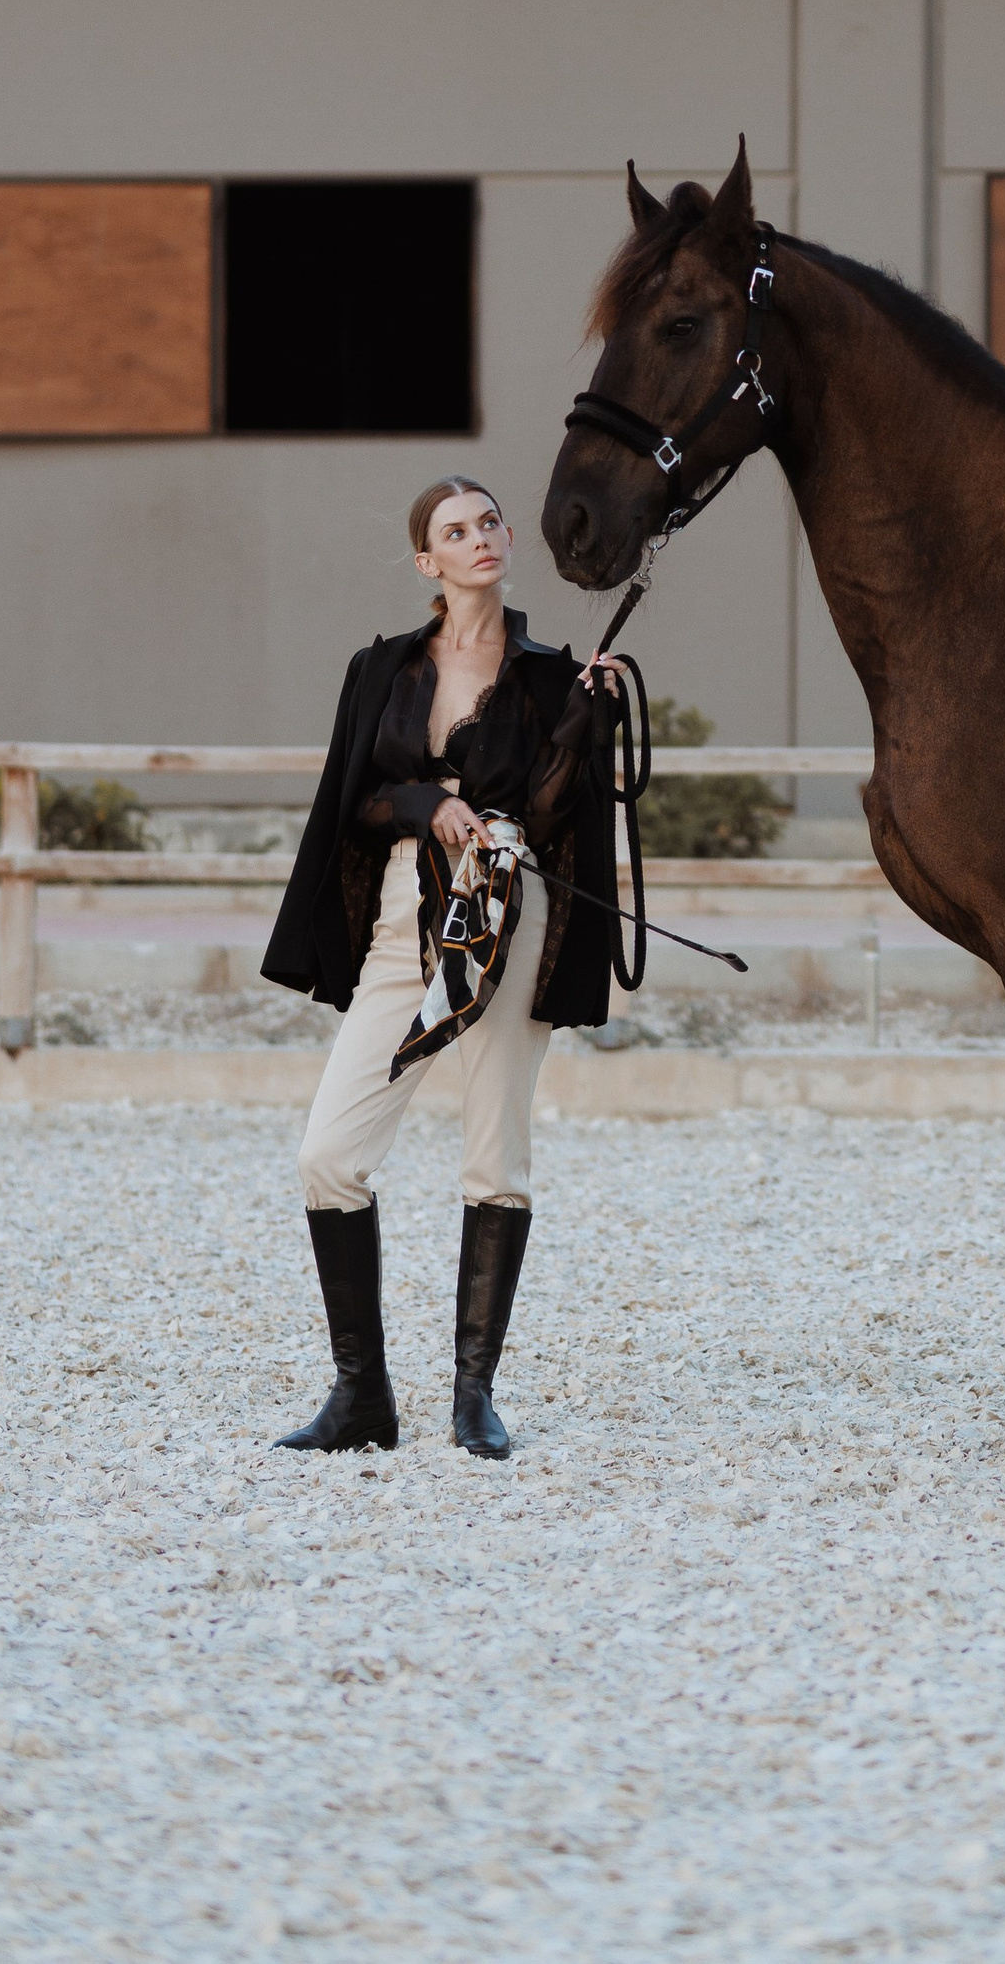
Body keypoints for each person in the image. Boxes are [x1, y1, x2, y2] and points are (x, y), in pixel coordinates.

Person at [261, 477, 626, 1459]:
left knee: (493, 1151)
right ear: (427, 559)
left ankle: (474, 1395)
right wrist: (430, 805)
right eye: (455, 531)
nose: (481, 540)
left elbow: (558, 812)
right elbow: (360, 797)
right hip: (401, 917)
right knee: (329, 1155)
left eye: (490, 523)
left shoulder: (552, 674)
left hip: (515, 914)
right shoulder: (381, 669)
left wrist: (590, 720)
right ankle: (361, 1394)